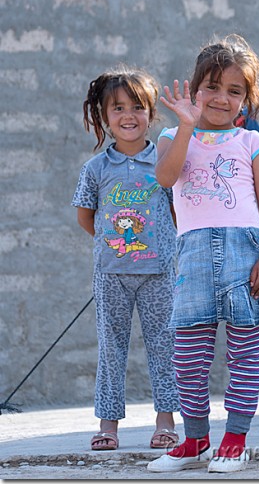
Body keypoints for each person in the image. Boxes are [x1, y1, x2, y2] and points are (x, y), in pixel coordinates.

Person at [147, 34, 259, 473]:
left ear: (246, 99)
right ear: (193, 89)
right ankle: (196, 441)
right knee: (188, 356)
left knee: (244, 353)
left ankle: (235, 441)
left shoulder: (251, 144)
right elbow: (167, 179)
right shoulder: (172, 135)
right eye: (211, 87)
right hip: (193, 257)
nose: (221, 98)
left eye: (234, 90)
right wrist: (187, 125)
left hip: (246, 256)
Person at [71, 65, 180, 451]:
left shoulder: (164, 163)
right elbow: (86, 216)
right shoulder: (96, 168)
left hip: (159, 273)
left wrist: (160, 247)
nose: (128, 116)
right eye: (118, 108)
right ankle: (108, 425)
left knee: (164, 346)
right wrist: (114, 246)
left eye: (137, 107)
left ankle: (166, 421)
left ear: (151, 114)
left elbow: (177, 213)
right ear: (104, 116)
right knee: (110, 347)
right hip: (111, 274)